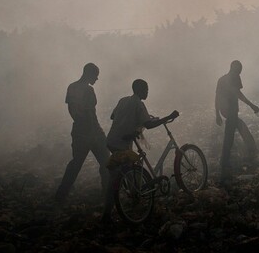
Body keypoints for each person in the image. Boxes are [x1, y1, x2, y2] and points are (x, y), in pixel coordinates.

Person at [101, 79, 179, 223]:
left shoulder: (123, 100)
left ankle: (111, 211)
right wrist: (168, 117)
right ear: (140, 90)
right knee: (123, 176)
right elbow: (149, 125)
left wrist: (130, 120)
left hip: (112, 141)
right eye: (146, 89)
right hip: (122, 143)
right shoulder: (139, 104)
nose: (147, 92)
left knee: (119, 176)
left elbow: (113, 116)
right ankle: (131, 204)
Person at [55, 63, 110, 203]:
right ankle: (108, 192)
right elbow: (90, 113)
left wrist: (80, 123)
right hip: (92, 131)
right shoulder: (89, 90)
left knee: (76, 164)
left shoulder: (72, 87)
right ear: (89, 74)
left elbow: (72, 110)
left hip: (79, 130)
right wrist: (95, 132)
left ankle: (61, 194)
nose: (97, 79)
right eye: (95, 76)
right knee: (106, 162)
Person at [215, 60, 259, 183]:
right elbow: (224, 96)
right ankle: (225, 162)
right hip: (229, 112)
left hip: (230, 111)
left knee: (239, 128)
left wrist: (218, 114)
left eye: (240, 71)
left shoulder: (227, 79)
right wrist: (252, 105)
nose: (239, 73)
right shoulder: (227, 80)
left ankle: (250, 151)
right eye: (238, 71)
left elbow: (233, 95)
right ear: (233, 69)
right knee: (230, 136)